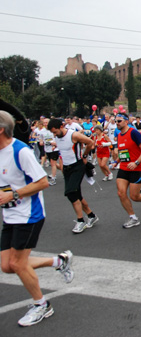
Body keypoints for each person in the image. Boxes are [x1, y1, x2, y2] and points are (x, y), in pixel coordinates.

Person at [0, 111, 75, 327]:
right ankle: (59, 261)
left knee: (17, 263)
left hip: (29, 215)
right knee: (7, 265)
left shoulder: (20, 151)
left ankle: (42, 305)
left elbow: (42, 182)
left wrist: (13, 195)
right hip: (10, 215)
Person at [47, 118, 99, 233]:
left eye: (55, 132)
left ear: (61, 127)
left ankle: (81, 221)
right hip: (66, 168)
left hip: (77, 166)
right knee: (77, 195)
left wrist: (85, 156)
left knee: (71, 193)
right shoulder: (57, 137)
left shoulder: (74, 135)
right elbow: (63, 150)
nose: (54, 134)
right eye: (52, 133)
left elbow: (90, 142)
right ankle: (91, 216)